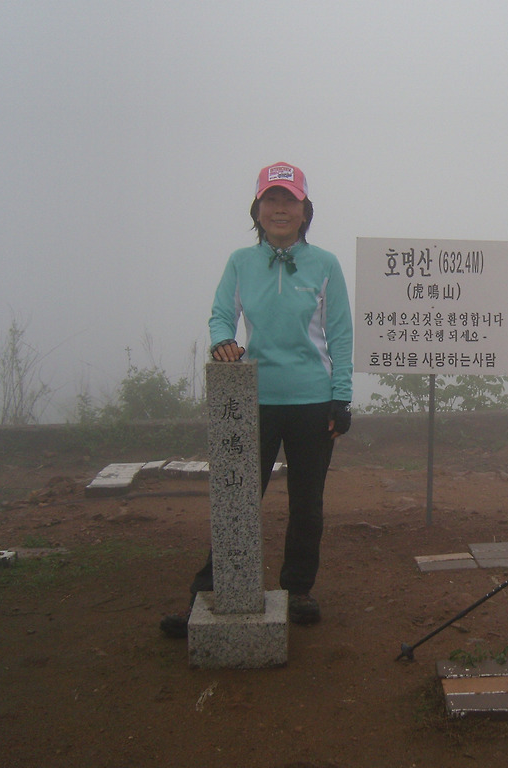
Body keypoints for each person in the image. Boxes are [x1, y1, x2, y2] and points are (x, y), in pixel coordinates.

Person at [160, 161, 353, 637]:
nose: (280, 208)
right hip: (254, 401)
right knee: (238, 499)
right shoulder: (240, 262)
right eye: (272, 200)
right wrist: (223, 342)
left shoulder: (325, 264)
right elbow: (221, 316)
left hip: (312, 401)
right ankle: (209, 591)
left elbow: (341, 333)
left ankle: (298, 590)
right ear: (258, 208)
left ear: (306, 209)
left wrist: (341, 398)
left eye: (290, 200)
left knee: (308, 503)